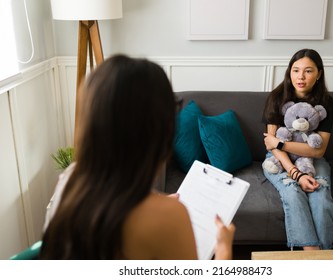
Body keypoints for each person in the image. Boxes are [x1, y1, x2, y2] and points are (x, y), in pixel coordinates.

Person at [40, 54, 235, 259]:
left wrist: (154, 204)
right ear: (157, 129)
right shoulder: (170, 217)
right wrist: (223, 248)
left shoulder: (69, 180)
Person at [262, 49, 333, 250]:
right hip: (279, 159)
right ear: (289, 72)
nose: (301, 77)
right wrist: (296, 173)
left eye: (308, 71)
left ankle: (321, 259)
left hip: (311, 160)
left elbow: (317, 152)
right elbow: (271, 146)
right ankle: (312, 254)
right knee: (293, 193)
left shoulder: (327, 104)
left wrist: (280, 143)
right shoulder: (276, 98)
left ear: (319, 74)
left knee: (321, 197)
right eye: (295, 70)